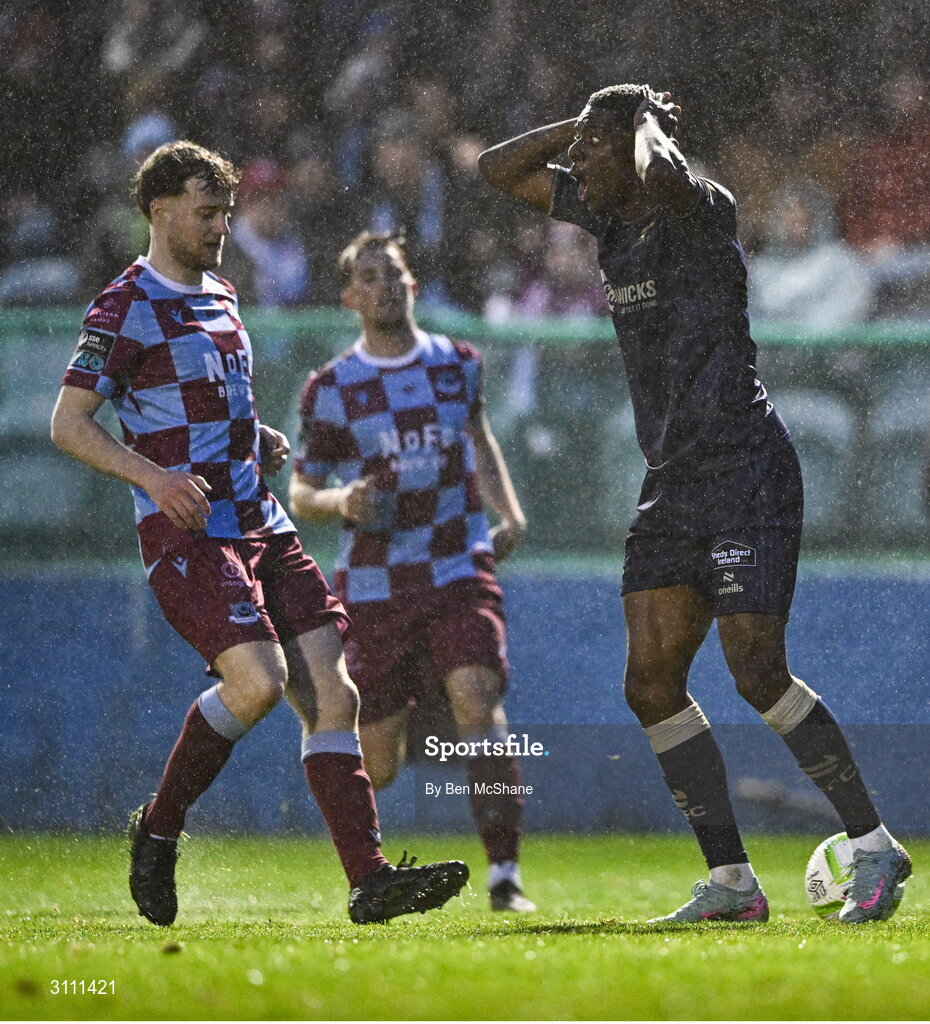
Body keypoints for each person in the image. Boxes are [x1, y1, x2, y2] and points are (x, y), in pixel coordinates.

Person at [479, 85, 911, 924]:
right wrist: (582, 125)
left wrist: (636, 126)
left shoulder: (698, 205)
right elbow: (500, 169)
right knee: (650, 683)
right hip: (672, 478)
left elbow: (661, 167)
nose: (578, 164)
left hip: (746, 467)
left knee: (756, 670)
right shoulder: (609, 218)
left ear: (637, 147)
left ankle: (873, 845)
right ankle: (732, 883)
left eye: (595, 151)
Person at [50, 141, 467, 927]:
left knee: (333, 692)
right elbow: (69, 426)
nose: (218, 229)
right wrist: (154, 477)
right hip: (192, 534)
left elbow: (212, 402)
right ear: (159, 208)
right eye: (206, 214)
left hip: (260, 520)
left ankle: (368, 880)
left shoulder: (223, 293)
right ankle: (158, 829)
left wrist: (257, 437)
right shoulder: (122, 306)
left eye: (226, 215)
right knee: (258, 684)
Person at [289, 231, 535, 913]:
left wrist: (506, 515)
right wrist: (342, 499)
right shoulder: (332, 389)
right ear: (349, 297)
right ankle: (303, 692)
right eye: (367, 277)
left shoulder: (458, 364)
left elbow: (478, 439)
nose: (383, 286)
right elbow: (302, 493)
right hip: (373, 588)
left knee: (476, 701)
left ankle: (505, 877)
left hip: (458, 566)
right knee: (382, 763)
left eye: (392, 273)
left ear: (413, 284)